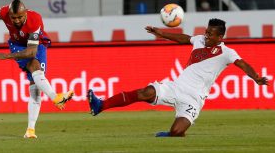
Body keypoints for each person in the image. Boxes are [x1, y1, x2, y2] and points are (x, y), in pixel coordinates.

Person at [87, 18, 269, 137]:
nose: (206, 35)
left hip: (194, 99)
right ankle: (100, 105)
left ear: (220, 37)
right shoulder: (199, 39)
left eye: (210, 33)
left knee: (176, 132)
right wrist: (161, 33)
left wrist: (256, 78)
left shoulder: (228, 52)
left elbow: (243, 64)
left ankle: (173, 133)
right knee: (145, 92)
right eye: (206, 31)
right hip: (175, 87)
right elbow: (182, 38)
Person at [0, 0, 74, 139]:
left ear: (26, 13)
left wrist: (6, 57)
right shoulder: (5, 11)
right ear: (9, 14)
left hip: (36, 46)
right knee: (34, 68)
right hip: (17, 45)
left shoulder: (35, 19)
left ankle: (30, 130)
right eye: (13, 18)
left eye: (20, 17)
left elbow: (31, 52)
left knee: (35, 85)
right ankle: (56, 97)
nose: (16, 20)